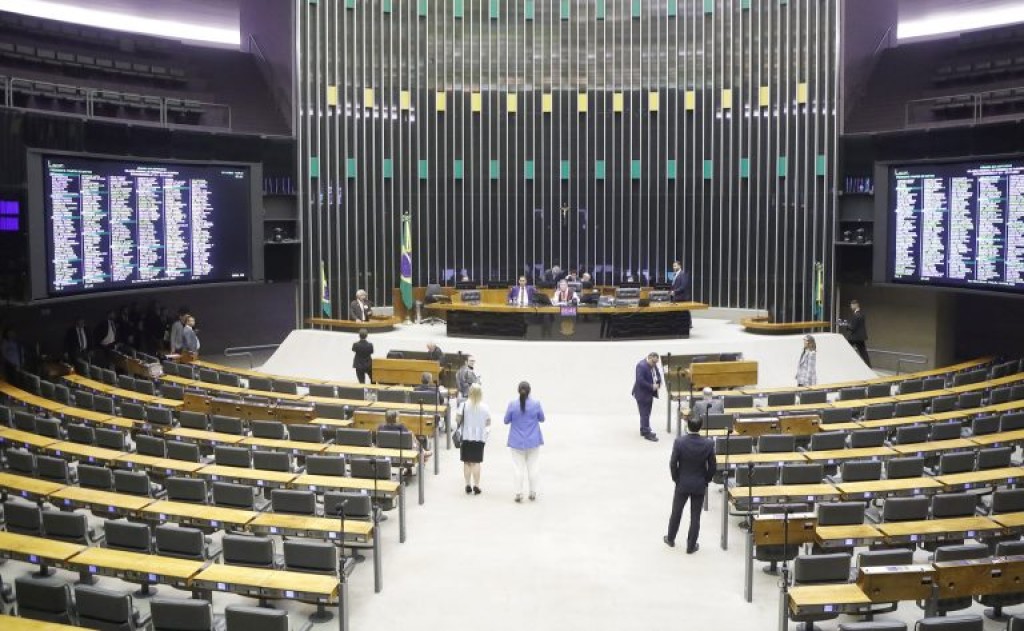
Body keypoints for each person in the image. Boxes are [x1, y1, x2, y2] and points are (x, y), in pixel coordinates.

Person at [664, 415, 716, 554]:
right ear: (701, 427)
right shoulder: (708, 444)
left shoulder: (679, 442)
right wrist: (706, 480)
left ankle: (670, 538)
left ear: (687, 426)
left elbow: (673, 463)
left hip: (682, 482)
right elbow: (712, 466)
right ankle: (691, 546)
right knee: (695, 516)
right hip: (699, 483)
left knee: (676, 512)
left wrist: (676, 479)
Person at [504, 381, 545, 503]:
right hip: (533, 441)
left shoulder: (512, 404)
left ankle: (518, 493)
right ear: (529, 391)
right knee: (533, 467)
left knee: (518, 468)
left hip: (516, 442)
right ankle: (533, 492)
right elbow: (542, 419)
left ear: (518, 391)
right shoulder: (536, 404)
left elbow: (506, 420)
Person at [458, 383, 491, 495]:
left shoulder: (463, 405)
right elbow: (488, 422)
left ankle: (467, 484)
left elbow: (457, 419)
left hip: (466, 436)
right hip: (479, 437)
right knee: (476, 462)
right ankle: (476, 485)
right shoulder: (485, 407)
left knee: (467, 462)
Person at [631, 352, 662, 442]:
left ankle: (643, 429)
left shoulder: (653, 364)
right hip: (642, 394)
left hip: (649, 393)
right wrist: (652, 386)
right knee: (645, 413)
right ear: (649, 358)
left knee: (646, 413)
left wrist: (659, 382)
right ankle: (647, 432)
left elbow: (657, 374)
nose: (655, 364)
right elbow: (640, 380)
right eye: (653, 362)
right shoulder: (641, 366)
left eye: (656, 362)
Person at [844, 299, 870, 367]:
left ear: (855, 305)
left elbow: (853, 328)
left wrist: (847, 325)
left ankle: (846, 364)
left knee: (846, 348)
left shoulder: (856, 315)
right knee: (863, 352)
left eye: (851, 305)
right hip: (861, 337)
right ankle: (869, 366)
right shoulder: (861, 314)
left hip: (855, 337)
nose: (851, 307)